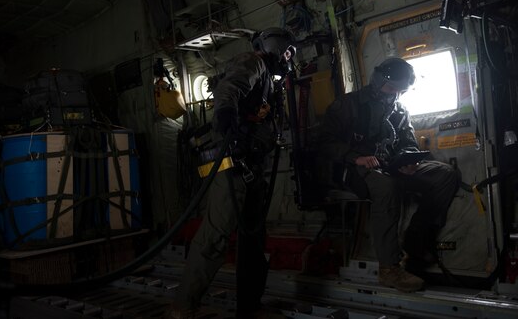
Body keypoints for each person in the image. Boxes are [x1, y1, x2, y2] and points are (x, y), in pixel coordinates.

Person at [169, 27, 296, 318]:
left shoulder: (270, 82)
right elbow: (230, 89)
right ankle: (183, 306)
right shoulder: (254, 63)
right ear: (275, 47)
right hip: (234, 166)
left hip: (253, 167)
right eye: (288, 51)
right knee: (215, 234)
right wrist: (226, 116)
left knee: (253, 238)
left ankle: (249, 306)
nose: (289, 58)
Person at [317, 57, 460, 292]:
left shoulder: (400, 109)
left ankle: (414, 242)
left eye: (400, 90)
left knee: (444, 174)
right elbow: (324, 142)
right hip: (353, 168)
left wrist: (409, 160)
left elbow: (407, 140)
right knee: (386, 186)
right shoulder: (348, 105)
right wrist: (355, 157)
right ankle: (389, 269)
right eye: (391, 88)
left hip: (389, 164)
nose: (394, 94)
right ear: (378, 80)